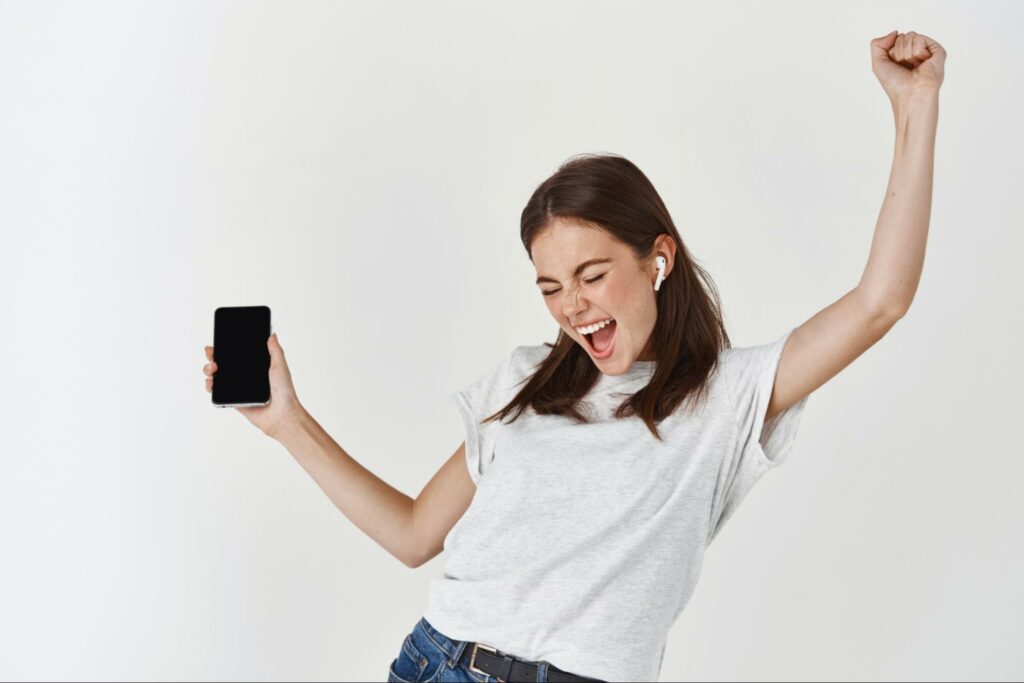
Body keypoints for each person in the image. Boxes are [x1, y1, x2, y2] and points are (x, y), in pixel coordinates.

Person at [202, 29, 944, 683]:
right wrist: (288, 422)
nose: (573, 306)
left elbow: (881, 300)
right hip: (439, 664)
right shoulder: (526, 381)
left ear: (659, 257)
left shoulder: (731, 395)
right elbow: (413, 535)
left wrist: (915, 111)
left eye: (592, 276)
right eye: (552, 286)